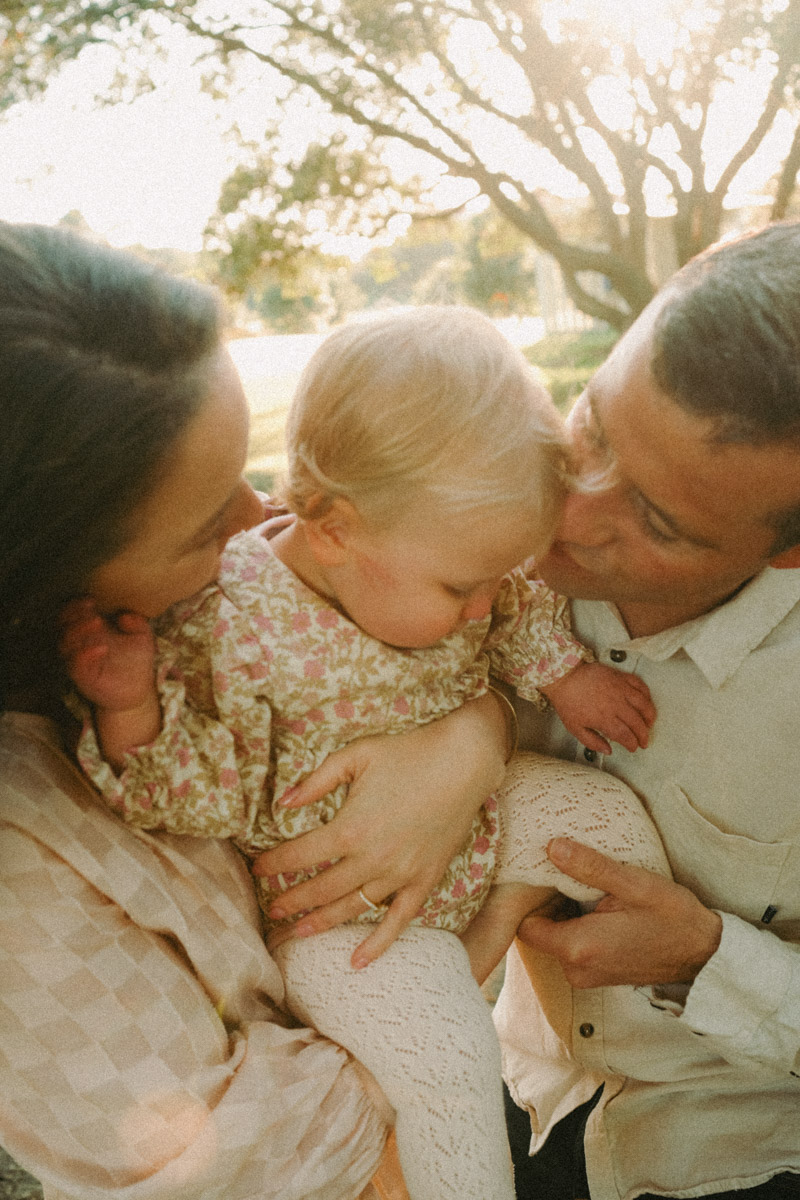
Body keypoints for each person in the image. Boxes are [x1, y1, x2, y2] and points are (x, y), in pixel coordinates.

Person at [61, 306, 669, 1200]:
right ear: (336, 528)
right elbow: (197, 801)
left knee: (601, 813)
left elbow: (511, 609)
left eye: (494, 578)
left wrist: (563, 673)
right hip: (346, 922)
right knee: (447, 1062)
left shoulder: (445, 556)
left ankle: (659, 1023)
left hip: (478, 822)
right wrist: (135, 711)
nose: (478, 609)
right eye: (460, 587)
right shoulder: (231, 629)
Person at [251, 221, 800, 1200]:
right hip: (519, 1084)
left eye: (655, 522)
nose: (574, 511)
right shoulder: (474, 532)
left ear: (786, 552)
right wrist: (471, 737)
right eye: (588, 429)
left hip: (731, 1145)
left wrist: (705, 956)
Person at [0, 220, 503, 1200]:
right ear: (44, 582)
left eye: (246, 464)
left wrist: (463, 743)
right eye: (204, 522)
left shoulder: (201, 615)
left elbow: (434, 658)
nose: (261, 514)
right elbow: (326, 1162)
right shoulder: (24, 862)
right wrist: (461, 949)